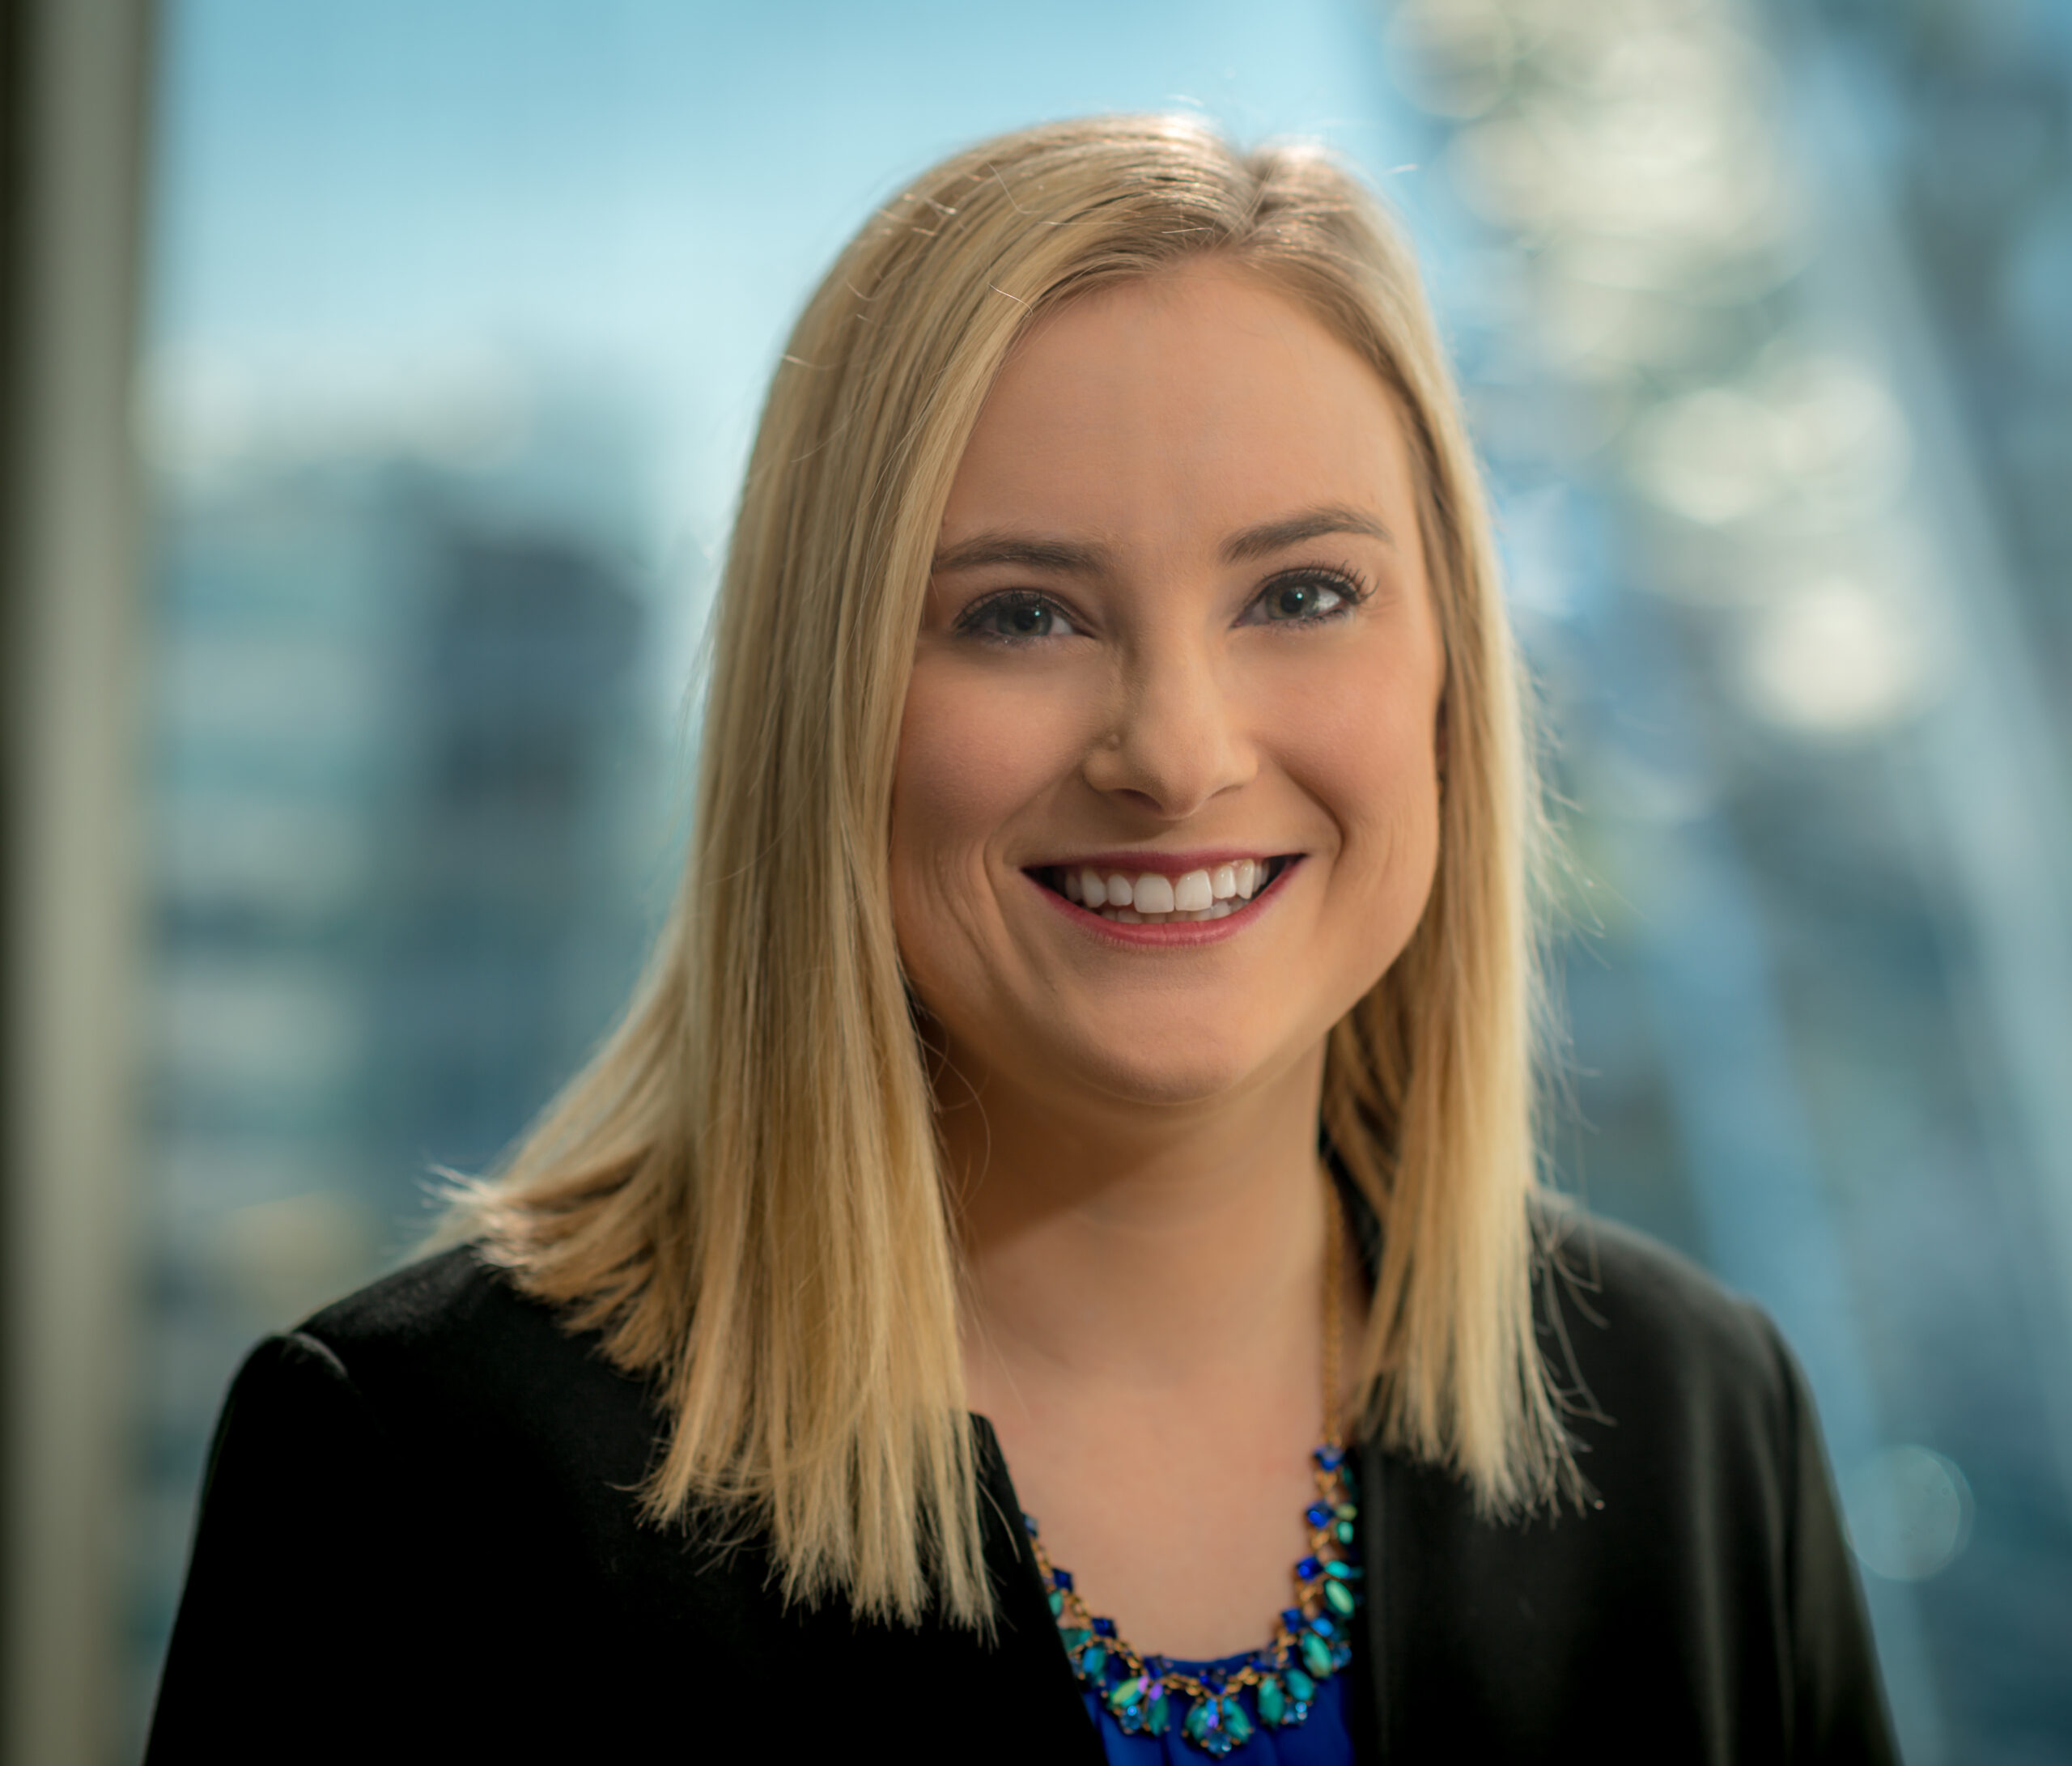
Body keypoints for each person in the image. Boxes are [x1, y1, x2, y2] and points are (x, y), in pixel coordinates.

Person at [145, 116, 1896, 1764]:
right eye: (1019, 613)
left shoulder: (1697, 1411)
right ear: (816, 708)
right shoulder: (416, 1476)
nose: (1179, 750)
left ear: (1445, 672)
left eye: (1301, 593)